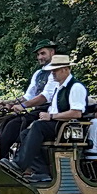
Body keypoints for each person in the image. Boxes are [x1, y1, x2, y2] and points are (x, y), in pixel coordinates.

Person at [11, 54, 87, 183]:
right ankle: (41, 171)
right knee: (25, 133)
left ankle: (19, 164)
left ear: (65, 69)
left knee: (37, 127)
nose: (52, 74)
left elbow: (76, 113)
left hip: (66, 128)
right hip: (57, 124)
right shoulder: (59, 87)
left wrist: (51, 116)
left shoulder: (76, 87)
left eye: (55, 71)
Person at [0, 41, 57, 159]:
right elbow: (28, 96)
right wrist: (10, 103)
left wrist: (23, 106)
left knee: (14, 124)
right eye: (38, 55)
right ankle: (0, 155)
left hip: (49, 110)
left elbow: (45, 97)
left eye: (43, 53)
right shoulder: (38, 74)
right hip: (37, 110)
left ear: (52, 52)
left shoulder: (56, 72)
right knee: (2, 120)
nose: (40, 57)